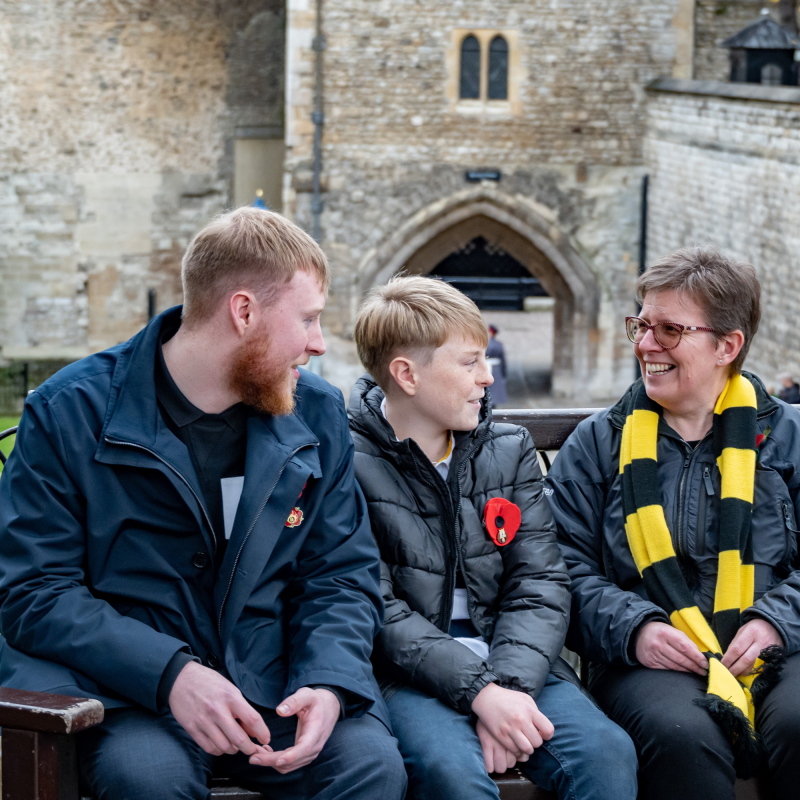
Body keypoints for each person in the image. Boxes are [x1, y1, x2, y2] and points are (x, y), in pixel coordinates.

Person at [0, 208, 405, 800]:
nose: (319, 343)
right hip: (127, 692)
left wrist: (328, 681)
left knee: (369, 767)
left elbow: (339, 573)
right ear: (243, 312)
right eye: (309, 319)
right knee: (149, 781)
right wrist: (169, 675)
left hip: (273, 680)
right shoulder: (69, 412)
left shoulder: (316, 414)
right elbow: (35, 592)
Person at [347, 275, 638, 800]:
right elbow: (375, 607)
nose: (487, 377)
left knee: (605, 754)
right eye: (469, 362)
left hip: (517, 663)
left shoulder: (507, 448)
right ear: (406, 374)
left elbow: (542, 580)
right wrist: (479, 693)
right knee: (451, 774)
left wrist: (505, 689)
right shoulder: (349, 460)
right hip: (408, 676)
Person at [546, 247, 800, 800]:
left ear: (726, 346)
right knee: (682, 735)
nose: (644, 344)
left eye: (668, 329)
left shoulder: (788, 440)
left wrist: (778, 622)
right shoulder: (599, 443)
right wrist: (636, 629)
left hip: (780, 652)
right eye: (641, 324)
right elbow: (559, 568)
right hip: (647, 659)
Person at [485, 325, 508, 406]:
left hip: (493, 368)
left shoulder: (488, 343)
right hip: (491, 367)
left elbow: (502, 359)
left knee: (493, 389)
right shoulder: (498, 344)